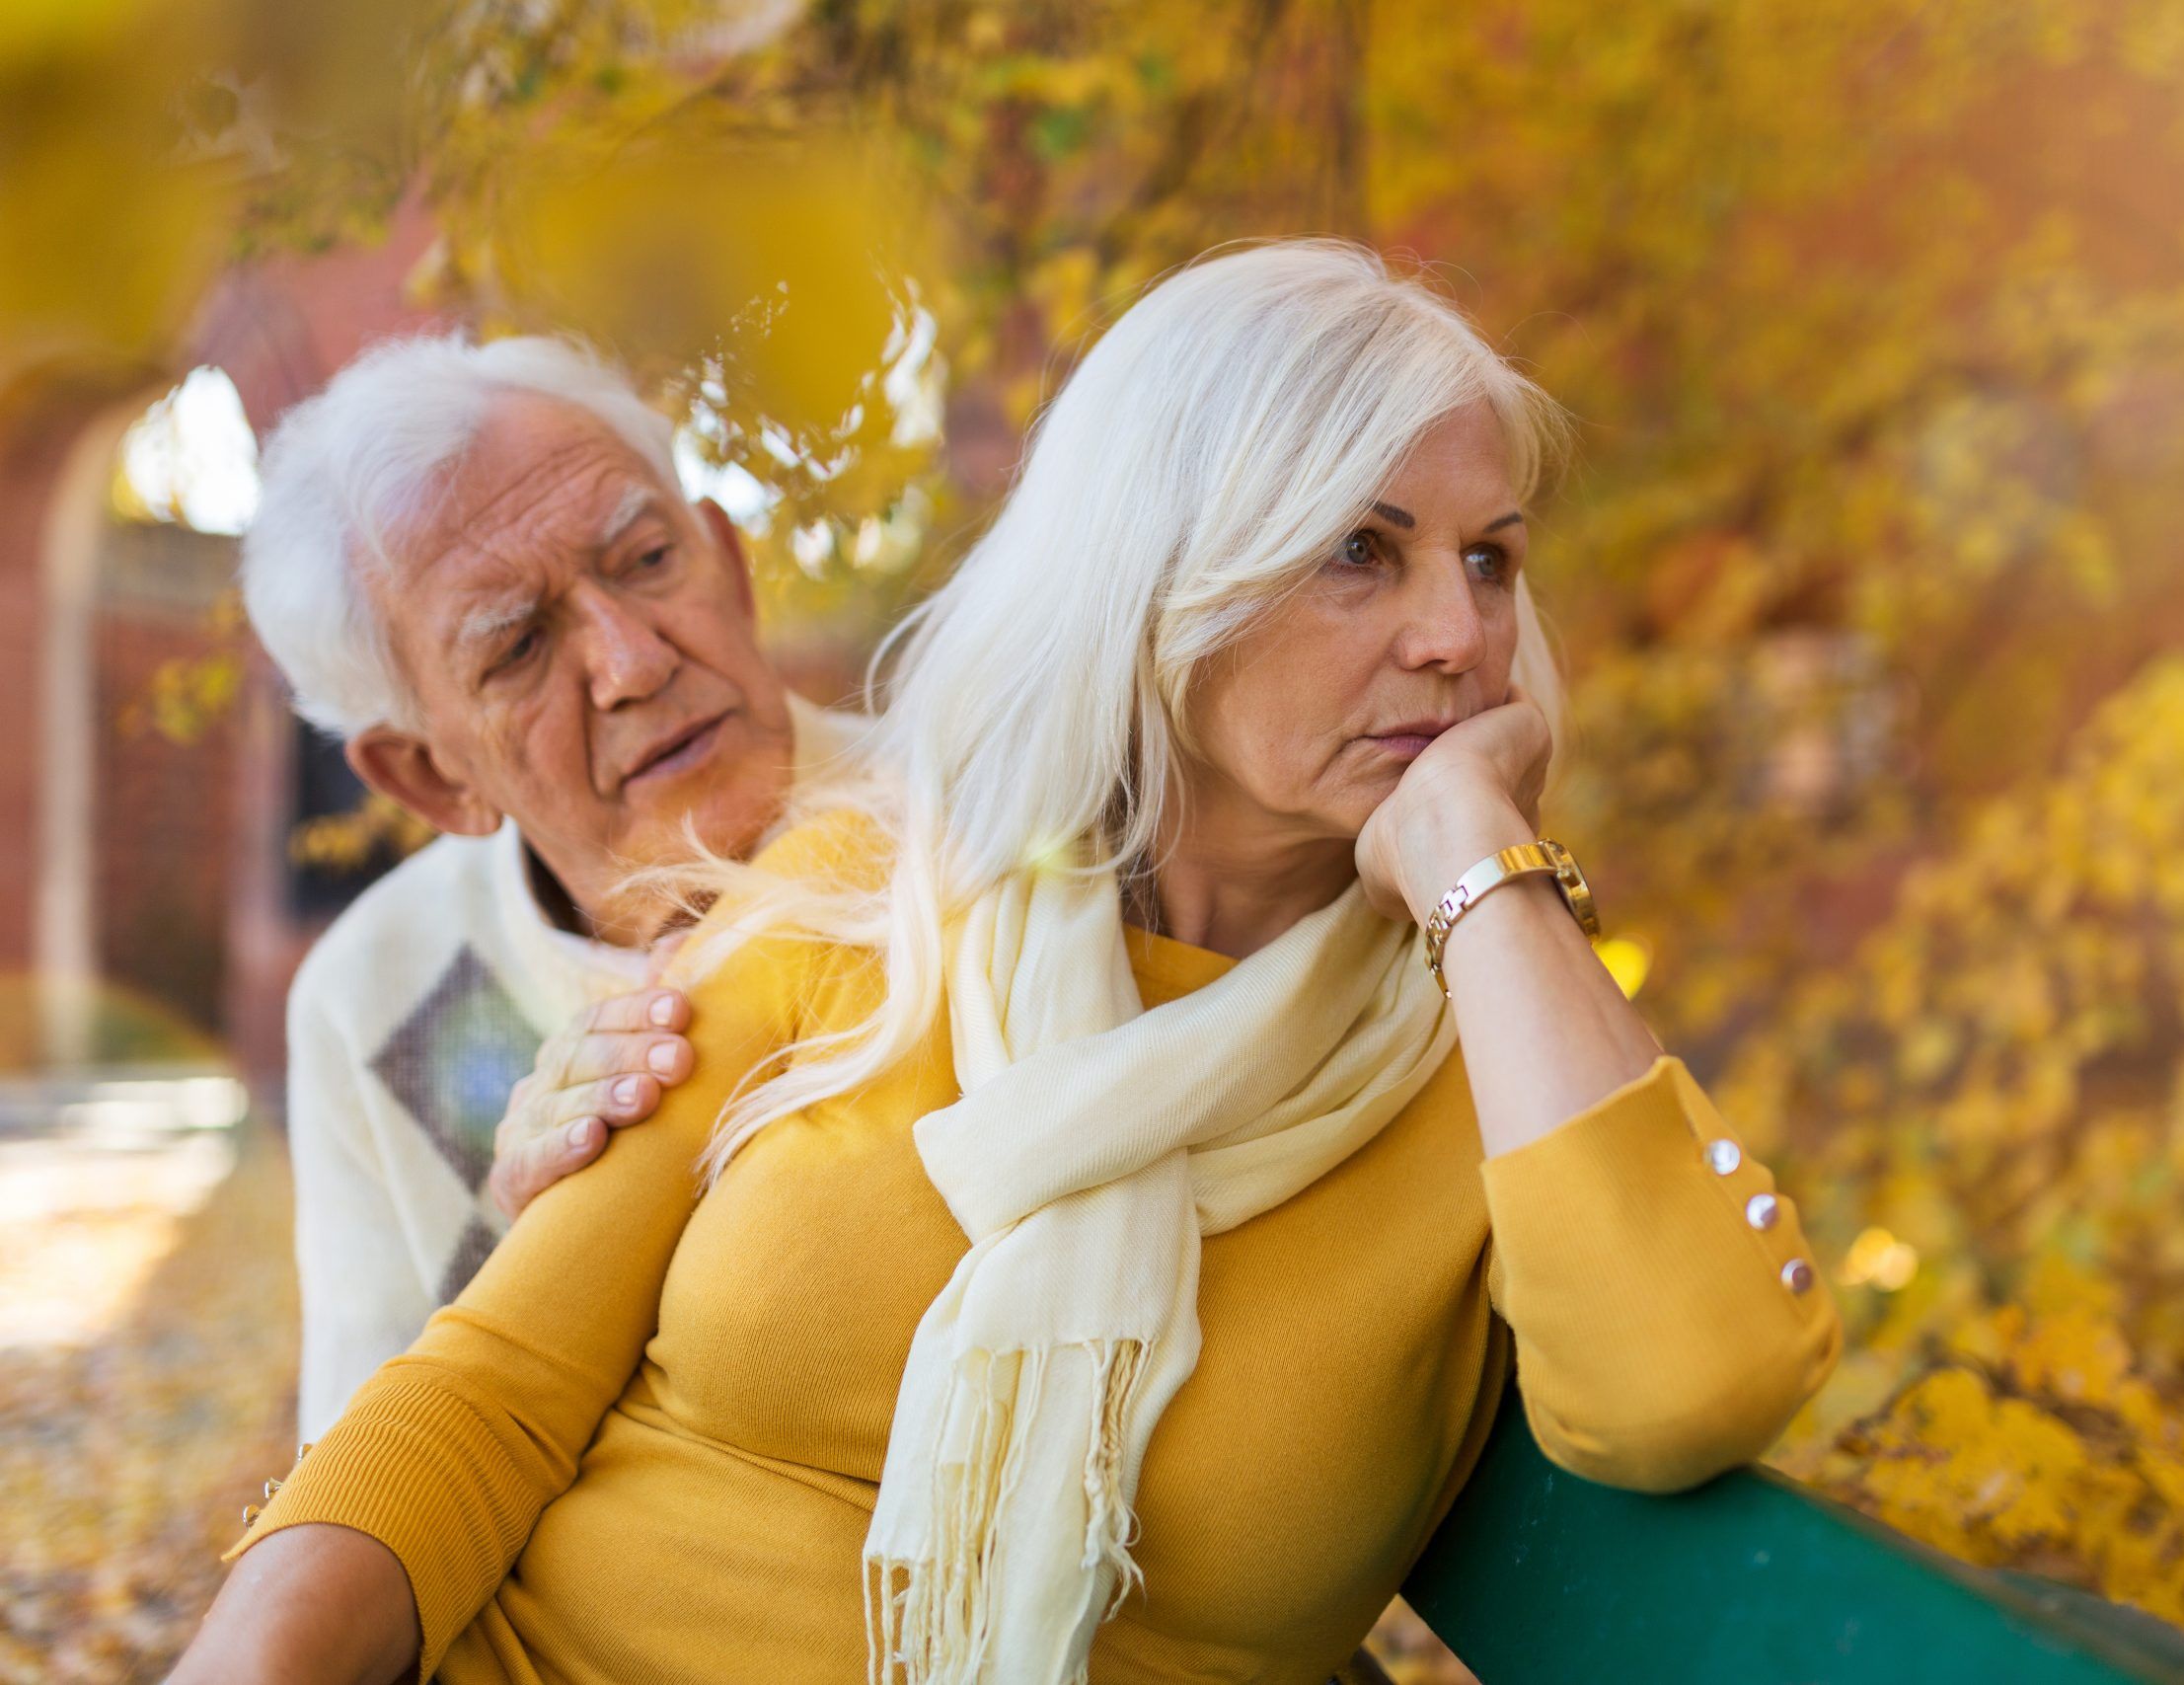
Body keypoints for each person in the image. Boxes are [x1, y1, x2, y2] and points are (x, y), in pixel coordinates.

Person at [175, 238, 1843, 1685]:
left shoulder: (1494, 1039)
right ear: (1164, 575)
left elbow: (1686, 1379)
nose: (1459, 636)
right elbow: (472, 1398)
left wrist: (1481, 866)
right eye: (1360, 547)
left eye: (1492, 558)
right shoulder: (871, 883)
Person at [241, 334, 860, 1436]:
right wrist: (554, 1266)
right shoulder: (381, 997)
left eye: (647, 560)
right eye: (519, 646)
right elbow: (376, 1453)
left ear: (728, 561)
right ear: (433, 775)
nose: (634, 663)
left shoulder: (978, 821)